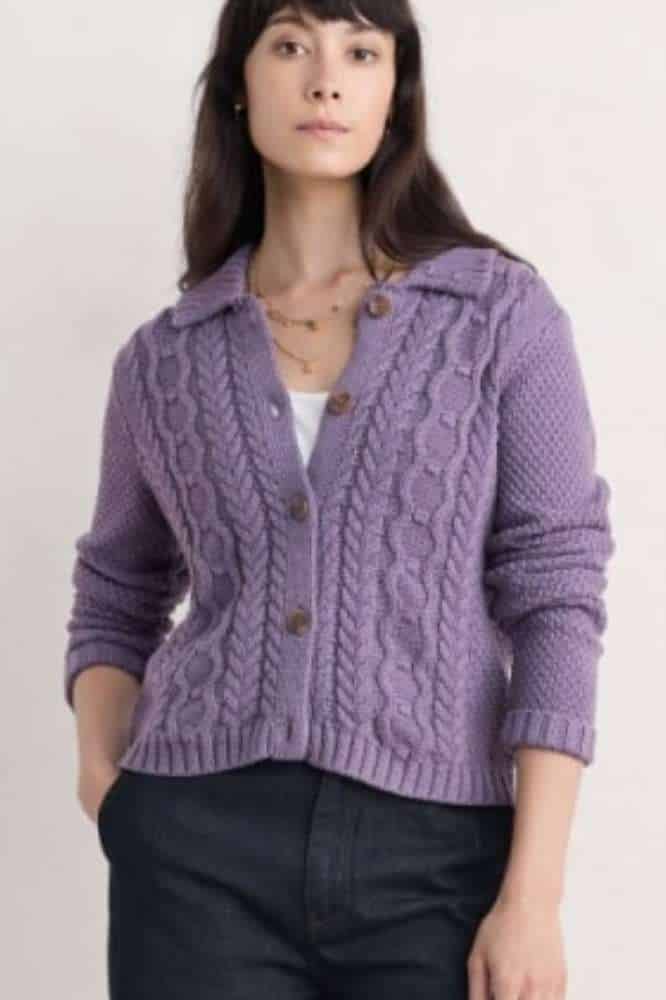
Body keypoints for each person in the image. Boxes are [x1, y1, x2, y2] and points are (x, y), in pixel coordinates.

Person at [64, 2, 615, 998]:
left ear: (394, 94)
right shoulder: (166, 358)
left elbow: (555, 591)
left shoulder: (497, 317)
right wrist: (107, 784)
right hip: (194, 853)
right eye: (291, 45)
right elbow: (117, 587)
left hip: (439, 853)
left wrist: (533, 895)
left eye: (360, 52)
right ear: (239, 84)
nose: (326, 79)